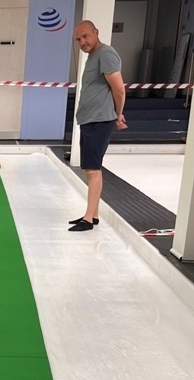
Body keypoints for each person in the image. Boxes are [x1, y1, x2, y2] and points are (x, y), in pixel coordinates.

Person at [69, 20, 127, 232]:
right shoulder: (93, 56)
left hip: (99, 120)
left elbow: (119, 90)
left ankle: (89, 218)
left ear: (96, 33)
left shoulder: (106, 54)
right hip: (90, 119)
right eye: (78, 39)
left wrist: (118, 115)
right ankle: (92, 215)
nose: (82, 42)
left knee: (93, 170)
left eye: (85, 36)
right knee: (90, 169)